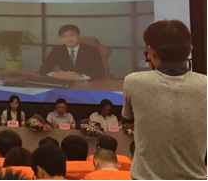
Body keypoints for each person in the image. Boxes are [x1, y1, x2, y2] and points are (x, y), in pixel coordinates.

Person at [122, 19, 207, 180]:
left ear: (150, 51)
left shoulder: (133, 81)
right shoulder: (205, 84)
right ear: (190, 49)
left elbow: (130, 124)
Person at [39, 24, 104, 80]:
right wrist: (55, 74)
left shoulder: (91, 50)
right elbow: (43, 68)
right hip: (65, 82)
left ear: (79, 36)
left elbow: (100, 72)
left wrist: (80, 77)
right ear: (61, 38)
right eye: (64, 36)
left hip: (86, 83)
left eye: (71, 35)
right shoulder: (57, 50)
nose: (68, 39)